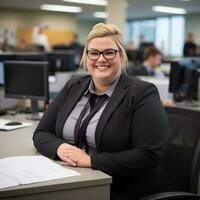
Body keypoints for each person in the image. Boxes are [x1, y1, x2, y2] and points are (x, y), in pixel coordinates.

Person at [33, 23, 168, 200]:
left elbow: (148, 154)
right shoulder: (73, 86)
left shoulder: (142, 93)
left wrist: (90, 161)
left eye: (109, 52)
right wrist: (61, 148)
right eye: (94, 53)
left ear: (121, 56)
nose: (101, 59)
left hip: (120, 189)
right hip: (71, 180)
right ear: (86, 56)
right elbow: (41, 132)